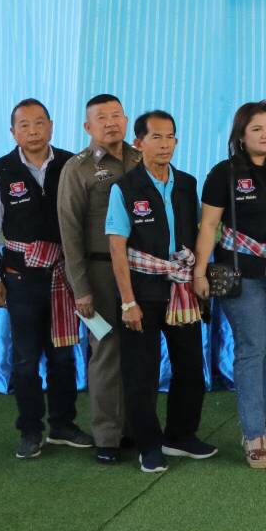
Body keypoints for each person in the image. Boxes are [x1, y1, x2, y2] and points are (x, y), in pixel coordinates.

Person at [106, 110, 215, 474]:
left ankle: (181, 436)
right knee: (142, 373)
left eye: (170, 137)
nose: (165, 144)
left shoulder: (187, 183)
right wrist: (128, 302)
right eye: (156, 137)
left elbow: (198, 232)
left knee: (191, 366)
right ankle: (149, 446)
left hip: (181, 289)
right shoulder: (124, 188)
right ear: (139, 143)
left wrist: (197, 275)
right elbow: (117, 248)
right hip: (142, 291)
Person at [0, 99, 89, 460]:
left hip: (64, 276)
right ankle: (30, 430)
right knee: (26, 360)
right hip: (20, 277)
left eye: (39, 123)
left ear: (51, 126)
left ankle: (63, 425)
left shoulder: (71, 164)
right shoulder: (0, 170)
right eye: (24, 125)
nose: (33, 131)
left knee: (63, 356)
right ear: (13, 132)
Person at [195, 101, 266, 469]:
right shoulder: (224, 173)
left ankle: (260, 426)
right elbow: (208, 226)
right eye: (257, 129)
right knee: (251, 350)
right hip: (240, 276)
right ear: (240, 135)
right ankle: (253, 435)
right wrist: (199, 271)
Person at [58, 93, 142, 464]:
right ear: (87, 126)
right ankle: (107, 435)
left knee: (140, 351)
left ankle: (135, 427)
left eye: (117, 115)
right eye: (102, 118)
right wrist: (81, 288)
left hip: (142, 269)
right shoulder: (78, 169)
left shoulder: (142, 157)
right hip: (100, 271)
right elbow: (70, 232)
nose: (111, 123)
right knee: (106, 351)